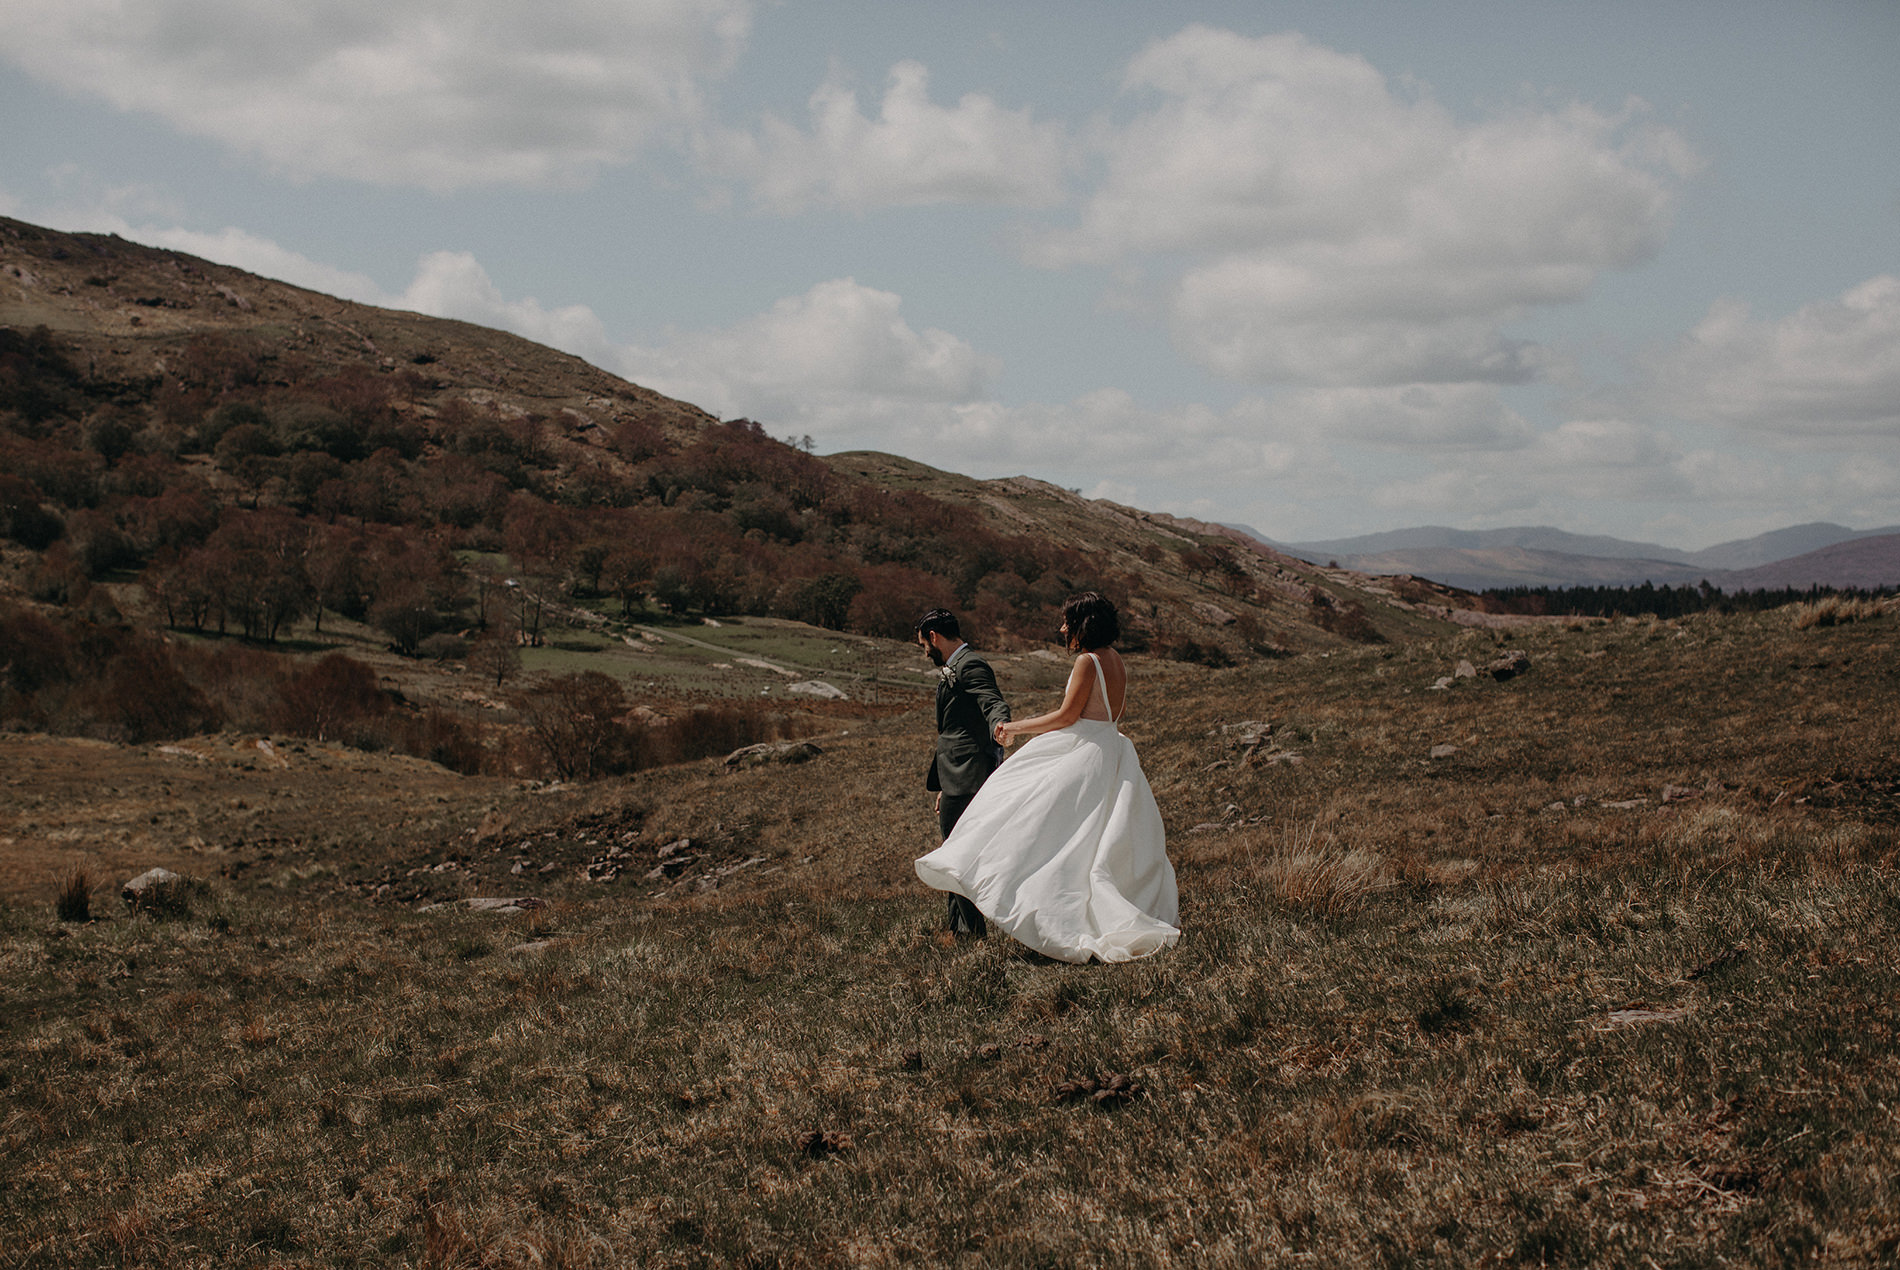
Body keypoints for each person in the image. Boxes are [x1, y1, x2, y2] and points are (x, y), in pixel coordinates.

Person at [916, 593, 1179, 963]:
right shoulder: (1116, 660)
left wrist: (1016, 728)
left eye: (1066, 621)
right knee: (1093, 842)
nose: (1062, 628)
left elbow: (1067, 716)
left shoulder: (1088, 661)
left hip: (1085, 753)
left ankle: (1050, 916)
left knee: (1040, 834)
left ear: (1081, 624)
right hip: (1114, 753)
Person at [915, 608, 1011, 936]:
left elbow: (993, 702)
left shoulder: (970, 664)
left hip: (970, 772)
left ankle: (970, 932)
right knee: (953, 852)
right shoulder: (955, 666)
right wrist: (944, 783)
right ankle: (962, 930)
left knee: (957, 855)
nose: (926, 652)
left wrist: (1000, 725)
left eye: (924, 645)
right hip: (955, 775)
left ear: (933, 637)